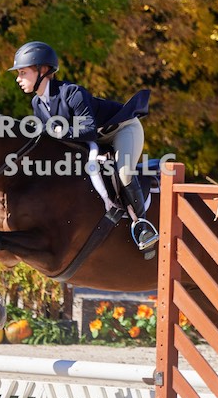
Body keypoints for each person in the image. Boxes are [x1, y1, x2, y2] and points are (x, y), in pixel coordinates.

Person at [8, 40, 159, 251]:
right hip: (95, 140)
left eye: (23, 72)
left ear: (42, 70)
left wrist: (56, 131)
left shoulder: (72, 93)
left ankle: (142, 226)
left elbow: (87, 130)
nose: (18, 78)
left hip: (122, 130)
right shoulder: (37, 104)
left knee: (124, 172)